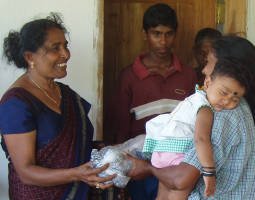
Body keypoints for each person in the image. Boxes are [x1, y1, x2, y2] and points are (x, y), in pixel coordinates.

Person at [0, 13, 114, 200]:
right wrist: (77, 174)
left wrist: (114, 151)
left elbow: (81, 146)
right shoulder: (16, 104)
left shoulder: (65, 94)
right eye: (55, 48)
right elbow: (26, 173)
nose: (66, 54)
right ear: (30, 57)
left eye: (65, 46)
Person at [127, 36, 255, 199]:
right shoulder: (237, 104)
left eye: (208, 62)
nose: (203, 70)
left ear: (224, 69)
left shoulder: (222, 112)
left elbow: (181, 179)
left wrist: (147, 168)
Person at [109, 3, 197, 199]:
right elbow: (121, 129)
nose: (163, 41)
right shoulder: (129, 76)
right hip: (140, 166)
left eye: (168, 34)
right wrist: (122, 171)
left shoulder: (189, 75)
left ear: (176, 34)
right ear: (145, 34)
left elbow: (195, 123)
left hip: (178, 165)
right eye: (156, 34)